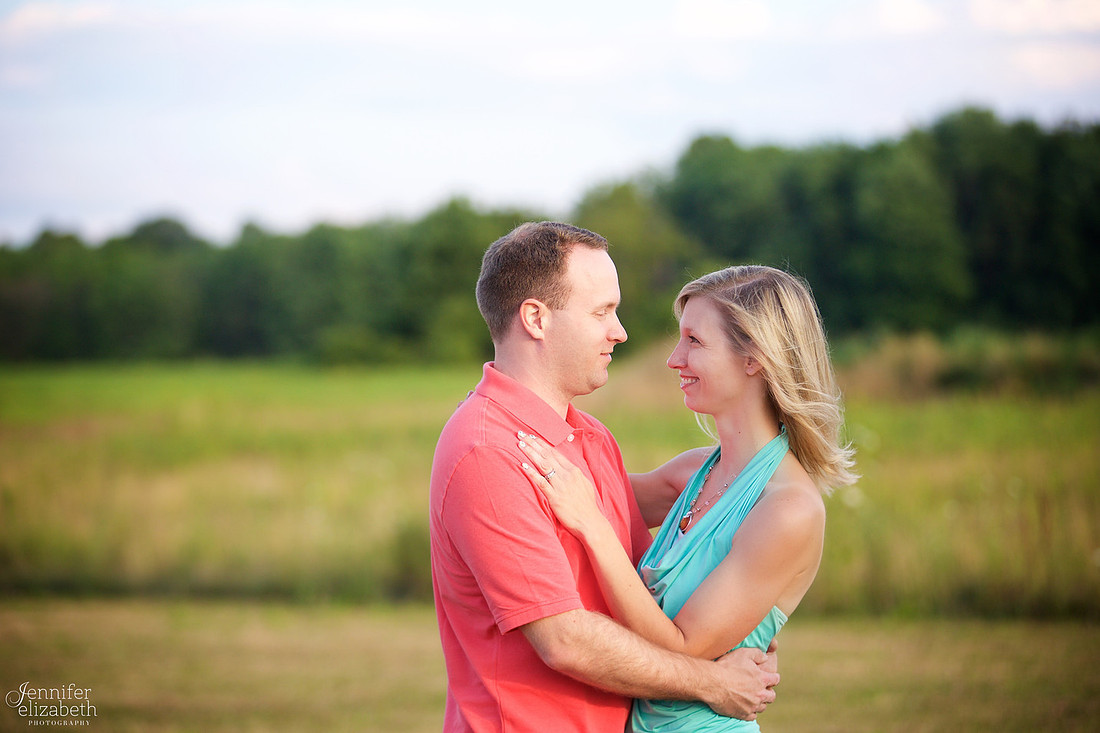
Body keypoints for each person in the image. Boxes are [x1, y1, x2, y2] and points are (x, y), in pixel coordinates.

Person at [429, 223, 780, 732]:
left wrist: (745, 628)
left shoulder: (590, 436)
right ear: (536, 319)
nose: (620, 332)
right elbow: (564, 641)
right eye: (601, 312)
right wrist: (712, 682)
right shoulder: (487, 451)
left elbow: (646, 587)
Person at [518, 265, 858, 731]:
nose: (673, 359)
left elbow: (682, 646)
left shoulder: (787, 509)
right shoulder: (691, 473)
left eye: (694, 341)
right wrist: (493, 414)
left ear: (754, 357)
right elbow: (555, 491)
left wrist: (593, 528)